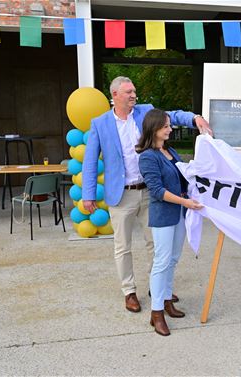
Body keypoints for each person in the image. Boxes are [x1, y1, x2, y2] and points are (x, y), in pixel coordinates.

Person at [82, 76, 211, 313]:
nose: (133, 95)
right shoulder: (100, 124)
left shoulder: (145, 112)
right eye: (128, 92)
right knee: (123, 246)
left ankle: (158, 289)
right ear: (115, 96)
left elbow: (171, 115)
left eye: (134, 91)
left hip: (151, 192)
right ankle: (129, 291)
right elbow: (90, 161)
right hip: (121, 195)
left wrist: (194, 117)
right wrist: (88, 194)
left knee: (156, 244)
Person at [137, 109, 203, 336]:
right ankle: (156, 314)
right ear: (154, 129)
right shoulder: (147, 156)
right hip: (164, 216)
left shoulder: (170, 151)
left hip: (179, 214)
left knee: (173, 259)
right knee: (161, 261)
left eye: (169, 125)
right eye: (166, 126)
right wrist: (185, 203)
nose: (170, 128)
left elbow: (182, 178)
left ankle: (166, 301)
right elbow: (156, 191)